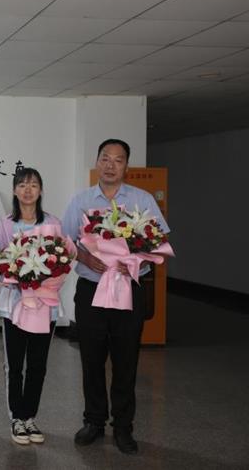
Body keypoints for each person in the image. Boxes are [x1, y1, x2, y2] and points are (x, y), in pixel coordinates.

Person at [62, 139, 170, 455]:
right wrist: (85, 257)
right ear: (97, 162)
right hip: (91, 289)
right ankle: (94, 421)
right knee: (91, 359)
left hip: (128, 288)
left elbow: (158, 243)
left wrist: (134, 261)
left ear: (126, 166)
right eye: (105, 158)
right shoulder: (81, 200)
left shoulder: (142, 199)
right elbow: (64, 242)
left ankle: (123, 426)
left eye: (118, 160)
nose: (110, 165)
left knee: (126, 360)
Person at [0, 168, 62, 446]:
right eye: (22, 185)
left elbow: (62, 261)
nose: (28, 190)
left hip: (45, 306)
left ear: (41, 190)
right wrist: (17, 278)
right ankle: (16, 418)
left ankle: (30, 416)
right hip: (15, 304)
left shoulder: (53, 223)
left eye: (33, 185)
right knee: (15, 365)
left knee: (38, 364)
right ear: (14, 190)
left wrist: (45, 281)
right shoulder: (5, 225)